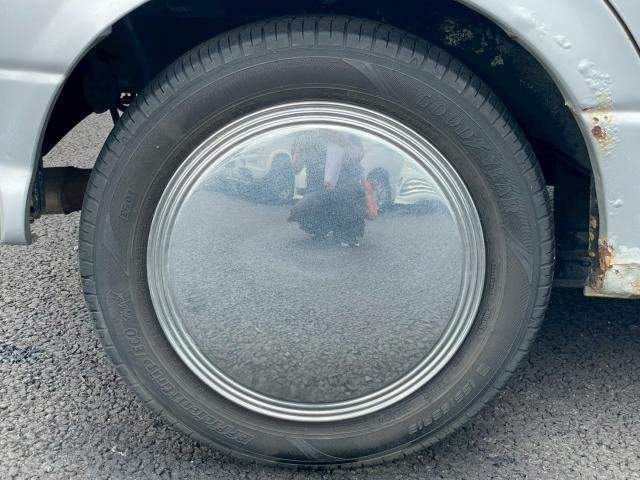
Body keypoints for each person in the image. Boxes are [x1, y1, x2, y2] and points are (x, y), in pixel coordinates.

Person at [288, 129, 377, 246]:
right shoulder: (309, 138)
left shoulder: (348, 134)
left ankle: (348, 232)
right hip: (318, 190)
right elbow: (296, 168)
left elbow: (358, 157)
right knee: (301, 210)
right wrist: (298, 151)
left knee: (348, 202)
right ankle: (320, 227)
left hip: (345, 190)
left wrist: (343, 143)